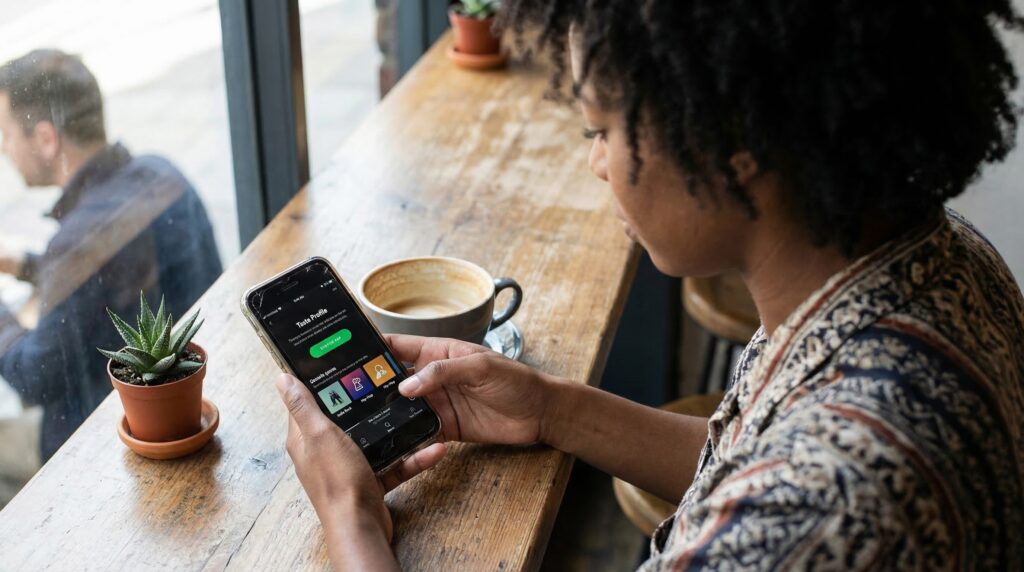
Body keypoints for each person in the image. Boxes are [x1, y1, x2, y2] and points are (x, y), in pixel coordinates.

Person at [271, 1, 1024, 570]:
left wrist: (352, 521)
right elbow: (751, 459)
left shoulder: (820, 516)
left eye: (602, 130)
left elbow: (785, 495)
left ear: (736, 141)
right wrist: (549, 409)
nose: (596, 163)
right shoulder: (932, 262)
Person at [0, 50, 222, 460]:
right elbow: (108, 274)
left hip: (104, 444)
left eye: (6, 135)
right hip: (189, 395)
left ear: (47, 140)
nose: (4, 151)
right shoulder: (162, 174)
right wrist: (28, 265)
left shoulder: (77, 240)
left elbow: (34, 377)